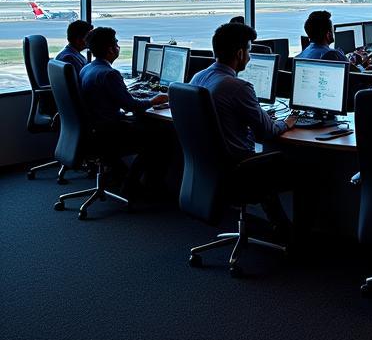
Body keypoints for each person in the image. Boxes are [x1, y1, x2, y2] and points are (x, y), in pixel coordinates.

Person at [190, 22, 298, 236]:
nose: (249, 56)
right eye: (249, 50)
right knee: (304, 167)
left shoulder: (198, 78)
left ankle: (281, 226)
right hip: (238, 168)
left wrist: (258, 115)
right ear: (240, 53)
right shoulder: (237, 87)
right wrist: (286, 123)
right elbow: (266, 132)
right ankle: (296, 235)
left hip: (209, 166)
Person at [79, 26, 168, 192]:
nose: (118, 47)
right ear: (111, 49)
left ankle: (123, 175)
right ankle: (133, 184)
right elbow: (131, 106)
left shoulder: (87, 68)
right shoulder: (109, 74)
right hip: (110, 132)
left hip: (96, 129)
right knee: (161, 136)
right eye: (116, 44)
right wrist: (154, 100)